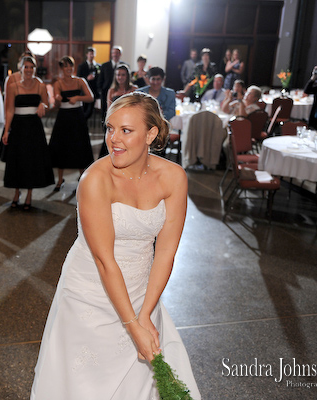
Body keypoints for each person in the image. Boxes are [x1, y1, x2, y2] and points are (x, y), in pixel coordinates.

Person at [30, 91, 201, 400]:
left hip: (142, 290)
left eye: (126, 130)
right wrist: (132, 325)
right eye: (110, 128)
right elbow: (104, 260)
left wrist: (146, 312)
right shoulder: (95, 180)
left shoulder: (173, 177)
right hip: (90, 291)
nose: (114, 139)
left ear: (150, 134)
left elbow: (165, 251)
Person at [1, 56, 54, 210]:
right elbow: (10, 110)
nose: (29, 70)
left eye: (32, 67)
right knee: (18, 160)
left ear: (35, 69)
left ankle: (29, 195)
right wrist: (6, 131)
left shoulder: (40, 85)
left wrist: (43, 105)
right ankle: (16, 193)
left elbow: (47, 104)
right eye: (26, 67)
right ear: (21, 69)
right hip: (18, 126)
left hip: (34, 127)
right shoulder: (13, 87)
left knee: (32, 160)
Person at [49, 56, 95, 191]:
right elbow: (56, 103)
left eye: (71, 66)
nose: (68, 69)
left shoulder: (80, 81)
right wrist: (57, 99)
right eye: (65, 66)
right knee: (61, 146)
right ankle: (59, 179)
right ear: (62, 68)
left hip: (77, 117)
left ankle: (82, 178)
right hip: (63, 117)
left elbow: (91, 97)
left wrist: (78, 97)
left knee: (79, 146)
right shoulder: (58, 83)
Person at [99, 64, 138, 157]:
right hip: (116, 122)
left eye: (123, 75)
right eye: (118, 75)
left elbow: (138, 108)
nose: (120, 77)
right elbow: (109, 109)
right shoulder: (111, 90)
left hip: (130, 122)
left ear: (127, 76)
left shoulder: (134, 89)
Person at [98, 46, 125, 124]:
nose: (115, 54)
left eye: (117, 53)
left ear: (120, 54)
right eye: (113, 53)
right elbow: (100, 80)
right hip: (106, 92)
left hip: (121, 92)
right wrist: (101, 91)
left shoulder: (125, 65)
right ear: (111, 54)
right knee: (105, 112)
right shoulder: (105, 65)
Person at [77, 47, 100, 120]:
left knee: (90, 110)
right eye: (90, 54)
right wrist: (87, 78)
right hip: (84, 92)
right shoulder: (81, 66)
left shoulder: (98, 66)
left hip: (94, 91)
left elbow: (100, 78)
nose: (92, 56)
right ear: (87, 54)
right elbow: (78, 78)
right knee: (83, 109)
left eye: (93, 54)